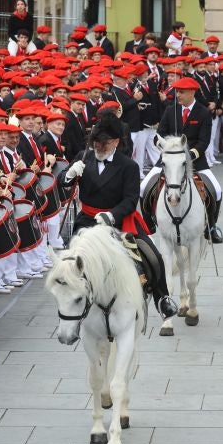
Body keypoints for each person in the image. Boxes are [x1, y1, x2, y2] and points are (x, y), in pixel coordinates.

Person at [61, 114, 178, 318]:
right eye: (95, 142)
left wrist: (111, 215)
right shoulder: (83, 156)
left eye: (104, 143)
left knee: (152, 255)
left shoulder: (128, 166)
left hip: (118, 219)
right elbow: (64, 185)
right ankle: (69, 300)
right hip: (87, 220)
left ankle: (163, 298)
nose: (98, 146)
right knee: (70, 260)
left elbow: (131, 199)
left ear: (115, 142)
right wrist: (68, 176)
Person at [142, 77, 223, 243]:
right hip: (168, 160)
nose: (177, 95)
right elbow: (159, 134)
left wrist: (190, 155)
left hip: (196, 161)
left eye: (181, 92)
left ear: (192, 92)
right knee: (143, 187)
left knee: (217, 190)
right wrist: (162, 145)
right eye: (177, 91)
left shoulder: (203, 112)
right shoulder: (170, 110)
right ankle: (148, 225)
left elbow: (204, 141)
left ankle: (211, 226)